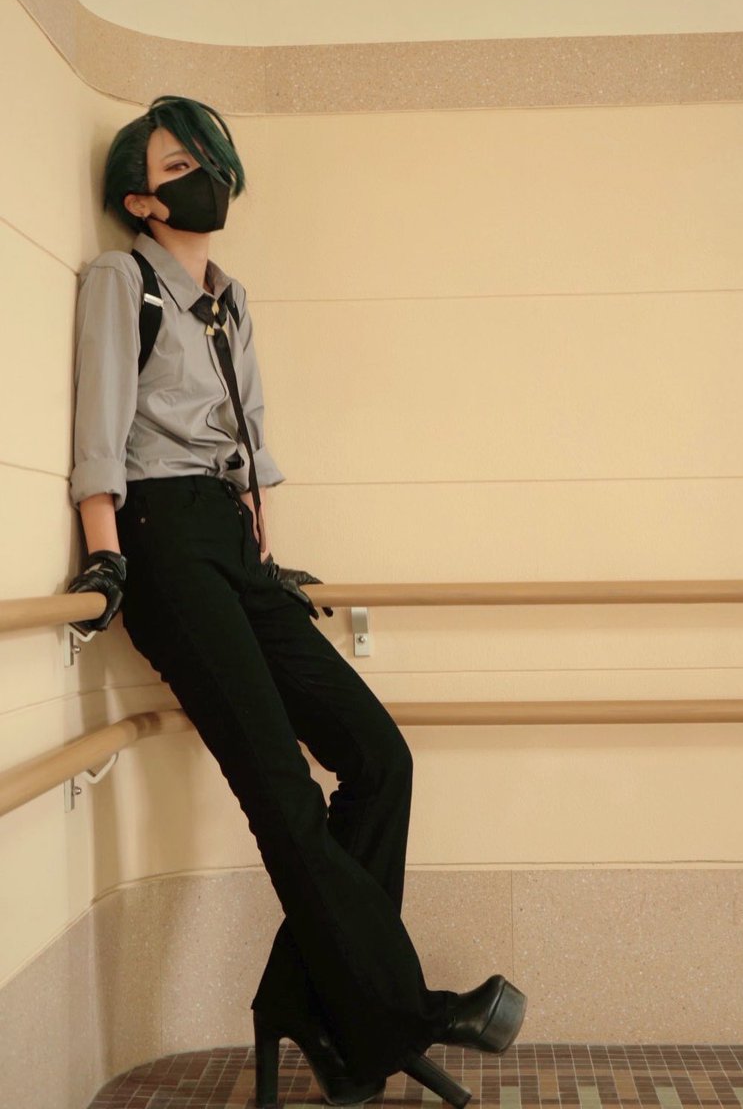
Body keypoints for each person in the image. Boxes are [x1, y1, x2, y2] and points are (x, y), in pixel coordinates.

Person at [66, 94, 527, 1109]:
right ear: (140, 200)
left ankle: (304, 1005)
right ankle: (401, 1013)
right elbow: (101, 432)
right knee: (281, 791)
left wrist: (267, 550)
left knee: (378, 759)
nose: (203, 179)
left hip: (238, 549)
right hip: (161, 538)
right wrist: (105, 559)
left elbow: (254, 440)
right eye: (177, 168)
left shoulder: (230, 299)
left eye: (207, 160)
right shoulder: (121, 281)